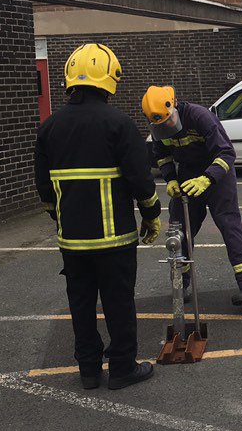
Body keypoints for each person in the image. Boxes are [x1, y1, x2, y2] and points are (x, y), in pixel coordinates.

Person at [35, 43, 162, 391]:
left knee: (81, 303)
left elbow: (44, 189)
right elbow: (140, 180)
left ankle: (89, 370)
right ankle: (122, 368)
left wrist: (60, 219)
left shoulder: (49, 128)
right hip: (115, 240)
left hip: (72, 242)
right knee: (119, 303)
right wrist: (151, 215)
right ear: (109, 79)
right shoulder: (119, 124)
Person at [142, 85, 242, 306]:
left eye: (169, 121)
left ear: (174, 105)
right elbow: (162, 156)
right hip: (187, 175)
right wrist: (171, 179)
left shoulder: (200, 117)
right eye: (161, 124)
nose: (167, 127)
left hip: (217, 174)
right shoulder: (159, 127)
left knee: (229, 224)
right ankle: (181, 285)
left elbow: (226, 152)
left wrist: (207, 178)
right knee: (179, 230)